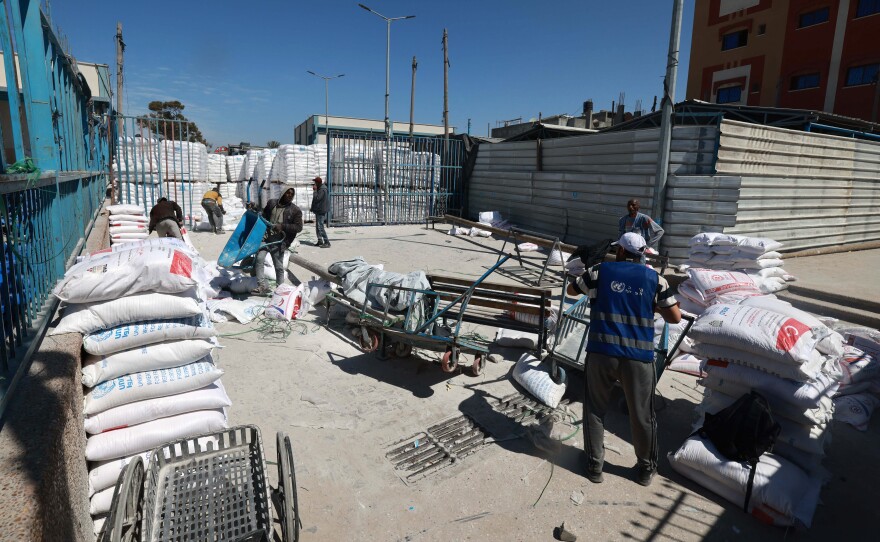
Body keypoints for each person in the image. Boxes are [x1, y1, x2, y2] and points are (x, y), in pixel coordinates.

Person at [567, 232, 681, 487]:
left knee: (595, 410)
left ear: (620, 251)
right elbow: (675, 318)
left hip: (601, 353)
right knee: (642, 415)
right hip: (638, 358)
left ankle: (594, 465)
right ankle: (645, 469)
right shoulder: (655, 279)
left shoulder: (598, 271)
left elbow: (571, 290)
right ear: (641, 255)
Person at [252, 187, 303, 296]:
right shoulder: (272, 204)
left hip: (280, 241)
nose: (289, 195)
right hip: (266, 238)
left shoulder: (295, 210)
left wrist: (282, 226)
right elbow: (264, 215)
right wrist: (255, 209)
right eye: (287, 193)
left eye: (291, 194)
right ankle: (262, 286)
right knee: (259, 259)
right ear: (283, 193)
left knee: (279, 267)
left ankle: (280, 289)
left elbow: (298, 227)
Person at [310, 176, 330, 248]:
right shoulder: (320, 188)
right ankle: (320, 240)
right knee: (317, 227)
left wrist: (315, 191)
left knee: (320, 226)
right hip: (318, 209)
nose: (314, 184)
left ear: (318, 183)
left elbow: (317, 198)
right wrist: (312, 208)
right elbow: (315, 200)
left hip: (321, 210)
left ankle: (327, 242)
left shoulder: (322, 189)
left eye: (315, 182)